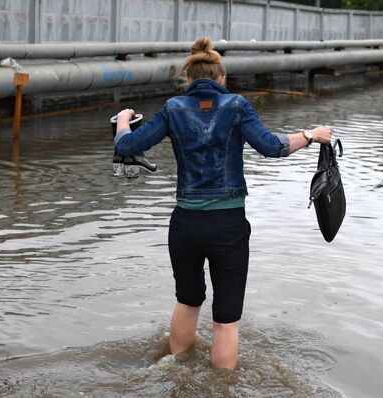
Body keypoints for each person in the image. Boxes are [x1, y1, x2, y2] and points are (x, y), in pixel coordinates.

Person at [114, 37, 332, 369]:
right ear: (221, 79)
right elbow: (273, 147)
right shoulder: (237, 106)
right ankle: (222, 389)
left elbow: (128, 145)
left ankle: (175, 374)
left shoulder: (173, 108)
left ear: (188, 80)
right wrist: (311, 134)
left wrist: (124, 119)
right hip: (228, 226)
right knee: (226, 320)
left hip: (184, 225)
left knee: (187, 302)